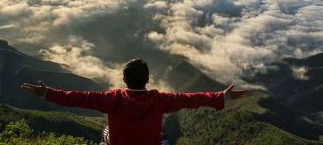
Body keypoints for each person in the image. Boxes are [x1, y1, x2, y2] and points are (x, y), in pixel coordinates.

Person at [21, 58, 248, 145]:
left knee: (106, 133)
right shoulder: (160, 100)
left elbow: (76, 98)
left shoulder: (112, 99)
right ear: (148, 80)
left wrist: (46, 93)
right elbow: (191, 99)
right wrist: (223, 96)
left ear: (123, 79)